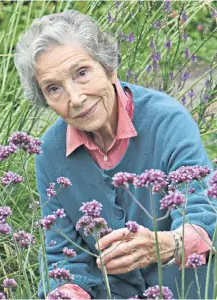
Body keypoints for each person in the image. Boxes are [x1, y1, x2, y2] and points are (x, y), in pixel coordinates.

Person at [14, 9, 216, 299]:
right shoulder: (50, 153)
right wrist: (66, 293)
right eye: (54, 89)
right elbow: (64, 258)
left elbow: (205, 215)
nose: (76, 98)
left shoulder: (167, 121)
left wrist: (164, 245)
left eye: (82, 73)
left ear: (109, 67)